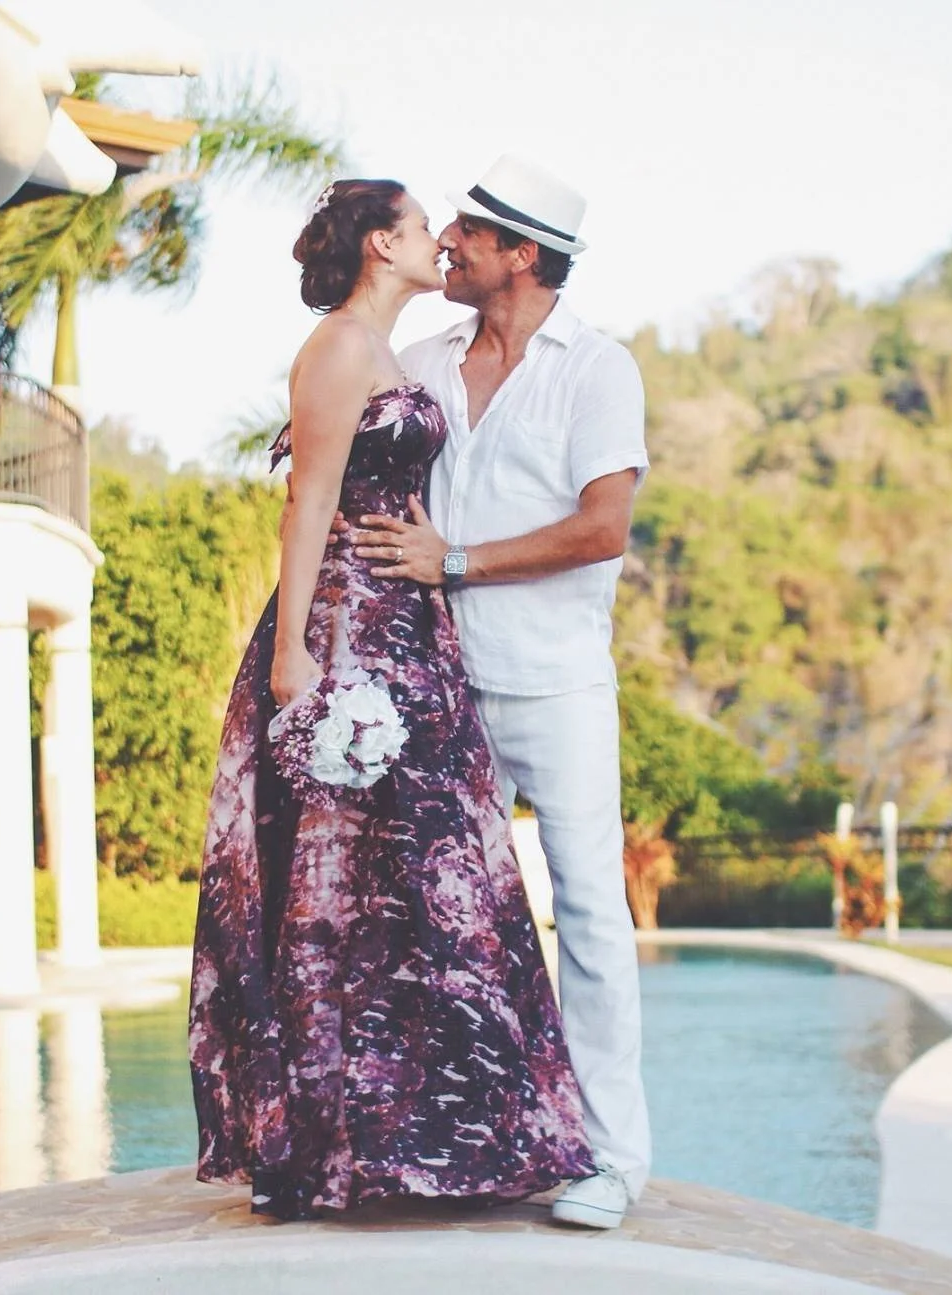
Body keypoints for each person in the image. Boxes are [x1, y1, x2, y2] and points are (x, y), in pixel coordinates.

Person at [189, 179, 594, 1221]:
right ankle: (321, 1149)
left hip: (411, 632)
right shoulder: (334, 348)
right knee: (333, 891)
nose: (439, 242)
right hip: (340, 631)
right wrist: (293, 664)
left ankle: (438, 1142)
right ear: (382, 243)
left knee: (431, 874)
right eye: (423, 227)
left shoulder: (398, 355)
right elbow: (307, 498)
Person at [348, 155, 653, 1230]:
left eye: (472, 233)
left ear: (520, 255)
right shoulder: (422, 360)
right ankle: (455, 1142)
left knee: (588, 917)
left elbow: (601, 527)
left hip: (557, 683)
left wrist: (458, 561)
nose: (453, 244)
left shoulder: (595, 369)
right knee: (436, 920)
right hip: (432, 685)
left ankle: (612, 1158)